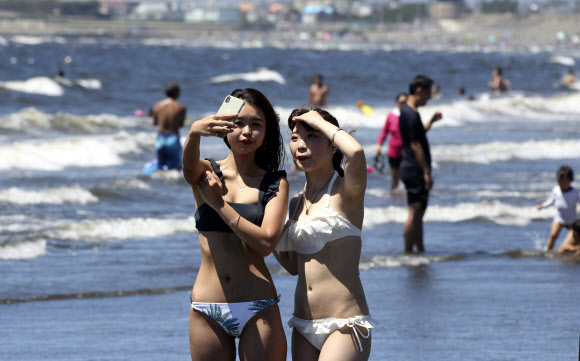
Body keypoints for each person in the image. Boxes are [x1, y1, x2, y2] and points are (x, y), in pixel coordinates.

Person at [182, 88, 288, 361]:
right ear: (224, 126)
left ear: (266, 132)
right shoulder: (206, 172)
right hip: (207, 307)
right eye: (238, 123)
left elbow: (266, 243)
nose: (246, 132)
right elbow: (187, 168)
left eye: (256, 125)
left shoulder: (275, 182)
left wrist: (219, 204)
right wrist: (194, 132)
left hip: (258, 306)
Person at [275, 106, 375, 361]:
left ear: (332, 146)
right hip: (302, 324)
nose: (301, 144)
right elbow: (292, 266)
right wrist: (267, 223)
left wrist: (319, 121)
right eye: (296, 138)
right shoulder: (296, 201)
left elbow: (356, 152)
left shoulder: (346, 191)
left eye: (313, 135)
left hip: (345, 324)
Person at [399, 75, 443, 253]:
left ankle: (420, 250)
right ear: (419, 90)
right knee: (415, 213)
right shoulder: (410, 114)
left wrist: (431, 122)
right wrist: (426, 172)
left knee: (418, 214)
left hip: (410, 167)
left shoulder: (409, 113)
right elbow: (416, 145)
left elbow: (418, 134)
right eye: (427, 93)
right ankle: (409, 252)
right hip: (414, 169)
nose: (429, 97)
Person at [536, 165, 580, 252]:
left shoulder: (575, 192)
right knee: (553, 236)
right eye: (560, 183)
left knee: (575, 237)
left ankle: (574, 250)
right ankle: (548, 251)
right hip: (559, 219)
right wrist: (543, 206)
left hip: (572, 221)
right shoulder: (556, 190)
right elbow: (551, 200)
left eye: (564, 183)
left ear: (571, 180)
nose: (562, 185)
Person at [151, 82, 186, 171]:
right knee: (175, 169)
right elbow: (181, 125)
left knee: (160, 167)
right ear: (176, 93)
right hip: (173, 138)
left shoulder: (157, 105)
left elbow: (155, 123)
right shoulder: (181, 107)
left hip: (160, 138)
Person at [375, 92, 408, 190]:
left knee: (407, 177)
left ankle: (406, 197)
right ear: (397, 103)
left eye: (405, 102)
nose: (403, 104)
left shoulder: (410, 115)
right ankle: (394, 199)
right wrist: (379, 145)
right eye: (401, 102)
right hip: (394, 152)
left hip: (407, 152)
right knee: (395, 178)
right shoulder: (391, 115)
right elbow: (384, 132)